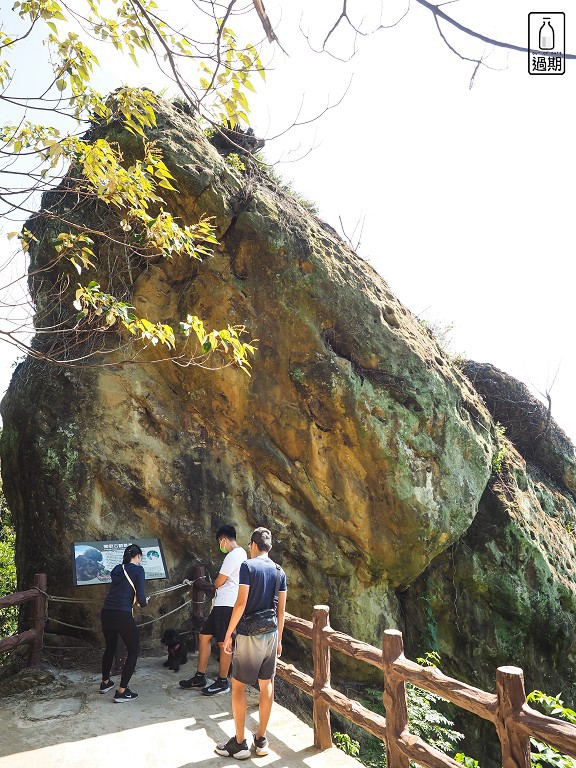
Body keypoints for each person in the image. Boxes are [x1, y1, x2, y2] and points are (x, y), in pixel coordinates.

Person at [215, 527, 287, 760]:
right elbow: (281, 610)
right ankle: (262, 739)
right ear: (270, 547)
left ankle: (239, 743)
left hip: (249, 634)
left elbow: (240, 603)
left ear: (253, 545)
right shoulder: (279, 571)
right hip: (271, 633)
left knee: (238, 685)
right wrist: (280, 640)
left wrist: (228, 634)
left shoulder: (248, 566)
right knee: (266, 684)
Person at [180, 524, 247, 696]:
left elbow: (218, 582)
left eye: (220, 542)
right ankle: (200, 676)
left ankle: (223, 681)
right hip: (221, 604)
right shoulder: (241, 554)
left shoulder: (233, 556)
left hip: (227, 604)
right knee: (204, 636)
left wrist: (211, 584)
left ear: (223, 539)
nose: (220, 546)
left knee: (224, 643)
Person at [99, 543, 148, 702]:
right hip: (122, 614)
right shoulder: (138, 570)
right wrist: (144, 602)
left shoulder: (117, 569)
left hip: (106, 612)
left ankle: (105, 683)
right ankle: (122, 691)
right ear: (138, 556)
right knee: (134, 650)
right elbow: (140, 598)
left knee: (110, 647)